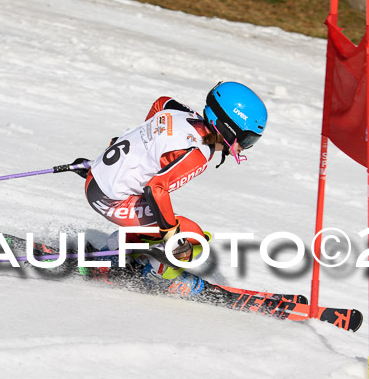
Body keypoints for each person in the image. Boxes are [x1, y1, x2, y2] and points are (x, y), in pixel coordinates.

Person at [84, 81, 268, 280]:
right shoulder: (198, 153)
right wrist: (173, 239)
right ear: (228, 128)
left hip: (100, 175)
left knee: (170, 225)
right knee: (193, 237)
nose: (244, 148)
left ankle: (118, 251)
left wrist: (140, 149)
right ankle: (151, 275)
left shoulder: (185, 116)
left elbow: (161, 103)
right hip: (110, 199)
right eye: (247, 140)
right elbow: (156, 190)